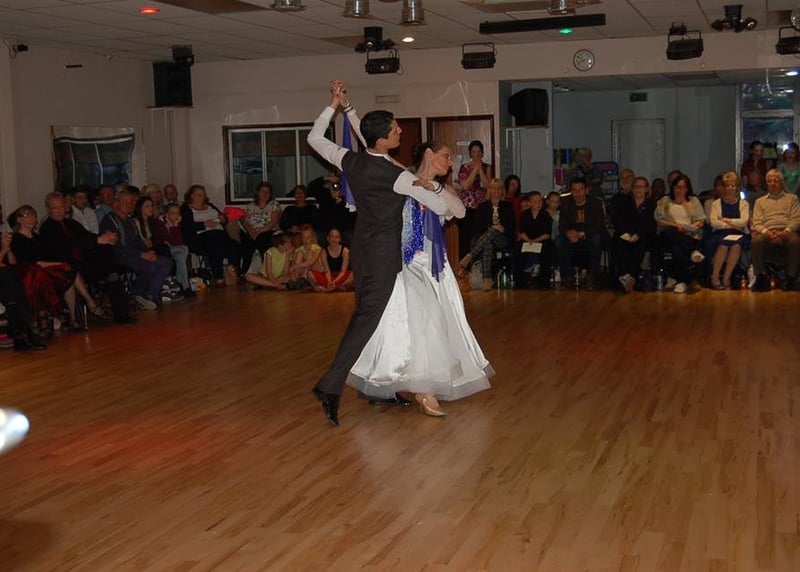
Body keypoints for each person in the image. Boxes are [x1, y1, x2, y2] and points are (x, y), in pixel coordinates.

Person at [307, 79, 450, 427]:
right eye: (395, 129)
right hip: (384, 254)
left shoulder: (352, 160)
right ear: (383, 139)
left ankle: (380, 388)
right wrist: (434, 188)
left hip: (363, 248)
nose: (400, 132)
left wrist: (338, 105)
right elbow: (439, 207)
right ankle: (330, 386)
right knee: (368, 319)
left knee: (381, 317)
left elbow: (315, 138)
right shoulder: (396, 175)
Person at [348, 141, 492, 416]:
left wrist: (434, 188)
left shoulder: (443, 190)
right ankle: (422, 390)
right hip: (404, 265)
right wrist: (353, 117)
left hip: (434, 268)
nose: (450, 162)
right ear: (428, 154)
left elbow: (460, 211)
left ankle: (420, 383)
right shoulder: (404, 179)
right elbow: (376, 151)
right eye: (445, 156)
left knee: (433, 324)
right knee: (415, 322)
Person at [457, 178, 515, 291]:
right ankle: (487, 279)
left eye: (499, 188)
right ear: (490, 190)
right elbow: (478, 226)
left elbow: (511, 224)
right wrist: (492, 227)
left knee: (492, 233)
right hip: (486, 238)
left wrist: (501, 228)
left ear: (502, 191)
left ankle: (470, 255)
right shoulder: (483, 206)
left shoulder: (507, 206)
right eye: (493, 188)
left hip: (502, 239)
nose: (496, 191)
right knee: (488, 243)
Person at [654, 174, 706, 294]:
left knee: (677, 248)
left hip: (689, 234)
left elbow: (701, 220)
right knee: (671, 231)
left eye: (682, 187)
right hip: (669, 232)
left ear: (687, 188)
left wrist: (692, 226)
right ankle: (693, 249)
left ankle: (681, 281)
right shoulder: (665, 201)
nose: (679, 190)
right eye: (677, 187)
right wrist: (676, 226)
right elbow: (659, 220)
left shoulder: (693, 201)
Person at [750, 169, 800, 291]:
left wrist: (786, 231)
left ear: (782, 182)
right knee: (756, 242)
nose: (772, 184)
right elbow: (757, 222)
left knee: (795, 241)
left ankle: (791, 278)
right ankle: (760, 278)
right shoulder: (760, 201)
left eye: (776, 181)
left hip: (787, 230)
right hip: (768, 231)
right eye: (769, 181)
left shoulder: (792, 199)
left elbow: (796, 219)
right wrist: (767, 232)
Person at [611, 176, 656, 293]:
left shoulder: (652, 204)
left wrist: (637, 234)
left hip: (643, 234)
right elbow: (619, 220)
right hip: (626, 233)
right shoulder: (625, 202)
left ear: (646, 189)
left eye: (641, 187)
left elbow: (650, 224)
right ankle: (625, 276)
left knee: (639, 245)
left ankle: (629, 276)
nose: (638, 189)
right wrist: (627, 233)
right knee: (620, 243)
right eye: (636, 187)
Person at [707, 171, 749, 289]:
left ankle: (726, 277)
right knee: (724, 245)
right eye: (727, 185)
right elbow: (714, 222)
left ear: (737, 187)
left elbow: (744, 221)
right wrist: (730, 225)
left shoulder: (743, 203)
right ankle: (715, 276)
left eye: (733, 185)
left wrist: (726, 220)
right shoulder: (716, 203)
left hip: (738, 233)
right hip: (720, 233)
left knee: (736, 245)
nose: (730, 188)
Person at [456, 140, 491, 259]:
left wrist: (480, 169)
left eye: (479, 151)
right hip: (467, 207)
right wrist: (474, 170)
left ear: (482, 153)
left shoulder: (487, 167)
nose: (476, 154)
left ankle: (479, 264)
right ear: (470, 153)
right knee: (465, 238)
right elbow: (465, 185)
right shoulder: (464, 167)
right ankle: (464, 265)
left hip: (482, 207)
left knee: (480, 238)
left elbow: (488, 186)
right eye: (474, 151)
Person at [240, 182, 281, 275]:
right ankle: (244, 272)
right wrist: (250, 231)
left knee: (263, 240)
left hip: (268, 230)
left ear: (270, 194)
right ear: (258, 193)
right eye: (263, 191)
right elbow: (244, 221)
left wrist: (258, 231)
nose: (265, 194)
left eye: (267, 192)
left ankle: (265, 271)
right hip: (252, 231)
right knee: (247, 241)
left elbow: (274, 222)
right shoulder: (251, 206)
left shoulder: (274, 205)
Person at [309, 227, 354, 292]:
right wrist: (330, 282)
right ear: (328, 238)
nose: (334, 239)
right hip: (329, 276)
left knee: (354, 274)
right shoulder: (324, 252)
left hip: (341, 276)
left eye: (336, 237)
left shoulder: (345, 251)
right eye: (332, 237)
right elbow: (327, 271)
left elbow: (343, 271)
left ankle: (327, 289)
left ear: (340, 239)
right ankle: (337, 287)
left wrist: (335, 282)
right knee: (310, 273)